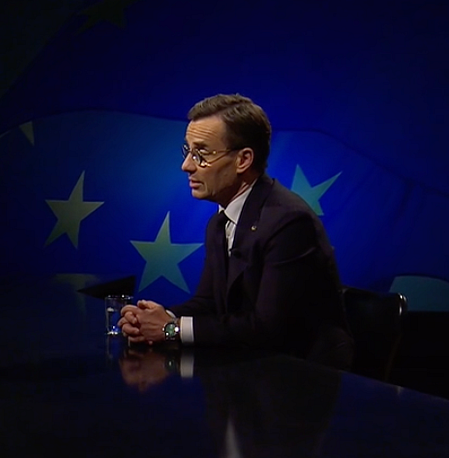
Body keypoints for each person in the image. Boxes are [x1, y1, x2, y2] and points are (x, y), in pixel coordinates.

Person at [120, 94, 353, 370]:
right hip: (248, 367)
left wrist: (171, 329)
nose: (187, 166)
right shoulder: (219, 222)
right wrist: (155, 319)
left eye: (202, 154)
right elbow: (209, 303)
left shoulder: (288, 222)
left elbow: (268, 329)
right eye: (188, 152)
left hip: (303, 374)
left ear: (243, 160)